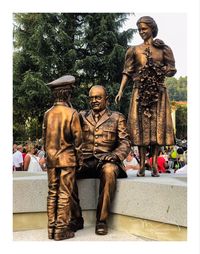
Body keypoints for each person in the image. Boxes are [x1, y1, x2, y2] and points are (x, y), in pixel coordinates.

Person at [115, 16, 176, 177]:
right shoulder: (134, 50)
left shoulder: (163, 49)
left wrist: (159, 71)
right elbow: (127, 72)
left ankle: (154, 163)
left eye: (144, 29)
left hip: (158, 92)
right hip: (140, 92)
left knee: (157, 128)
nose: (142, 32)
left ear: (152, 28)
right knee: (140, 129)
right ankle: (142, 164)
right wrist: (121, 90)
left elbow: (172, 69)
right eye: (139, 29)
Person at [71, 85, 131, 235]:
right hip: (85, 161)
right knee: (66, 171)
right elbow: (72, 138)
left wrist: (115, 155)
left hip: (106, 161)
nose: (94, 101)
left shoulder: (117, 117)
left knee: (109, 170)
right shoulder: (81, 116)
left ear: (107, 100)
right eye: (91, 98)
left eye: (98, 97)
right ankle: (76, 218)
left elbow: (125, 142)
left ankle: (102, 220)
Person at [42, 75, 83, 241]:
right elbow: (78, 141)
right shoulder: (72, 113)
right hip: (67, 160)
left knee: (52, 193)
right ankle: (60, 229)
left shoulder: (47, 114)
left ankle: (51, 228)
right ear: (67, 94)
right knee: (65, 194)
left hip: (52, 160)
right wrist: (79, 160)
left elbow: (44, 138)